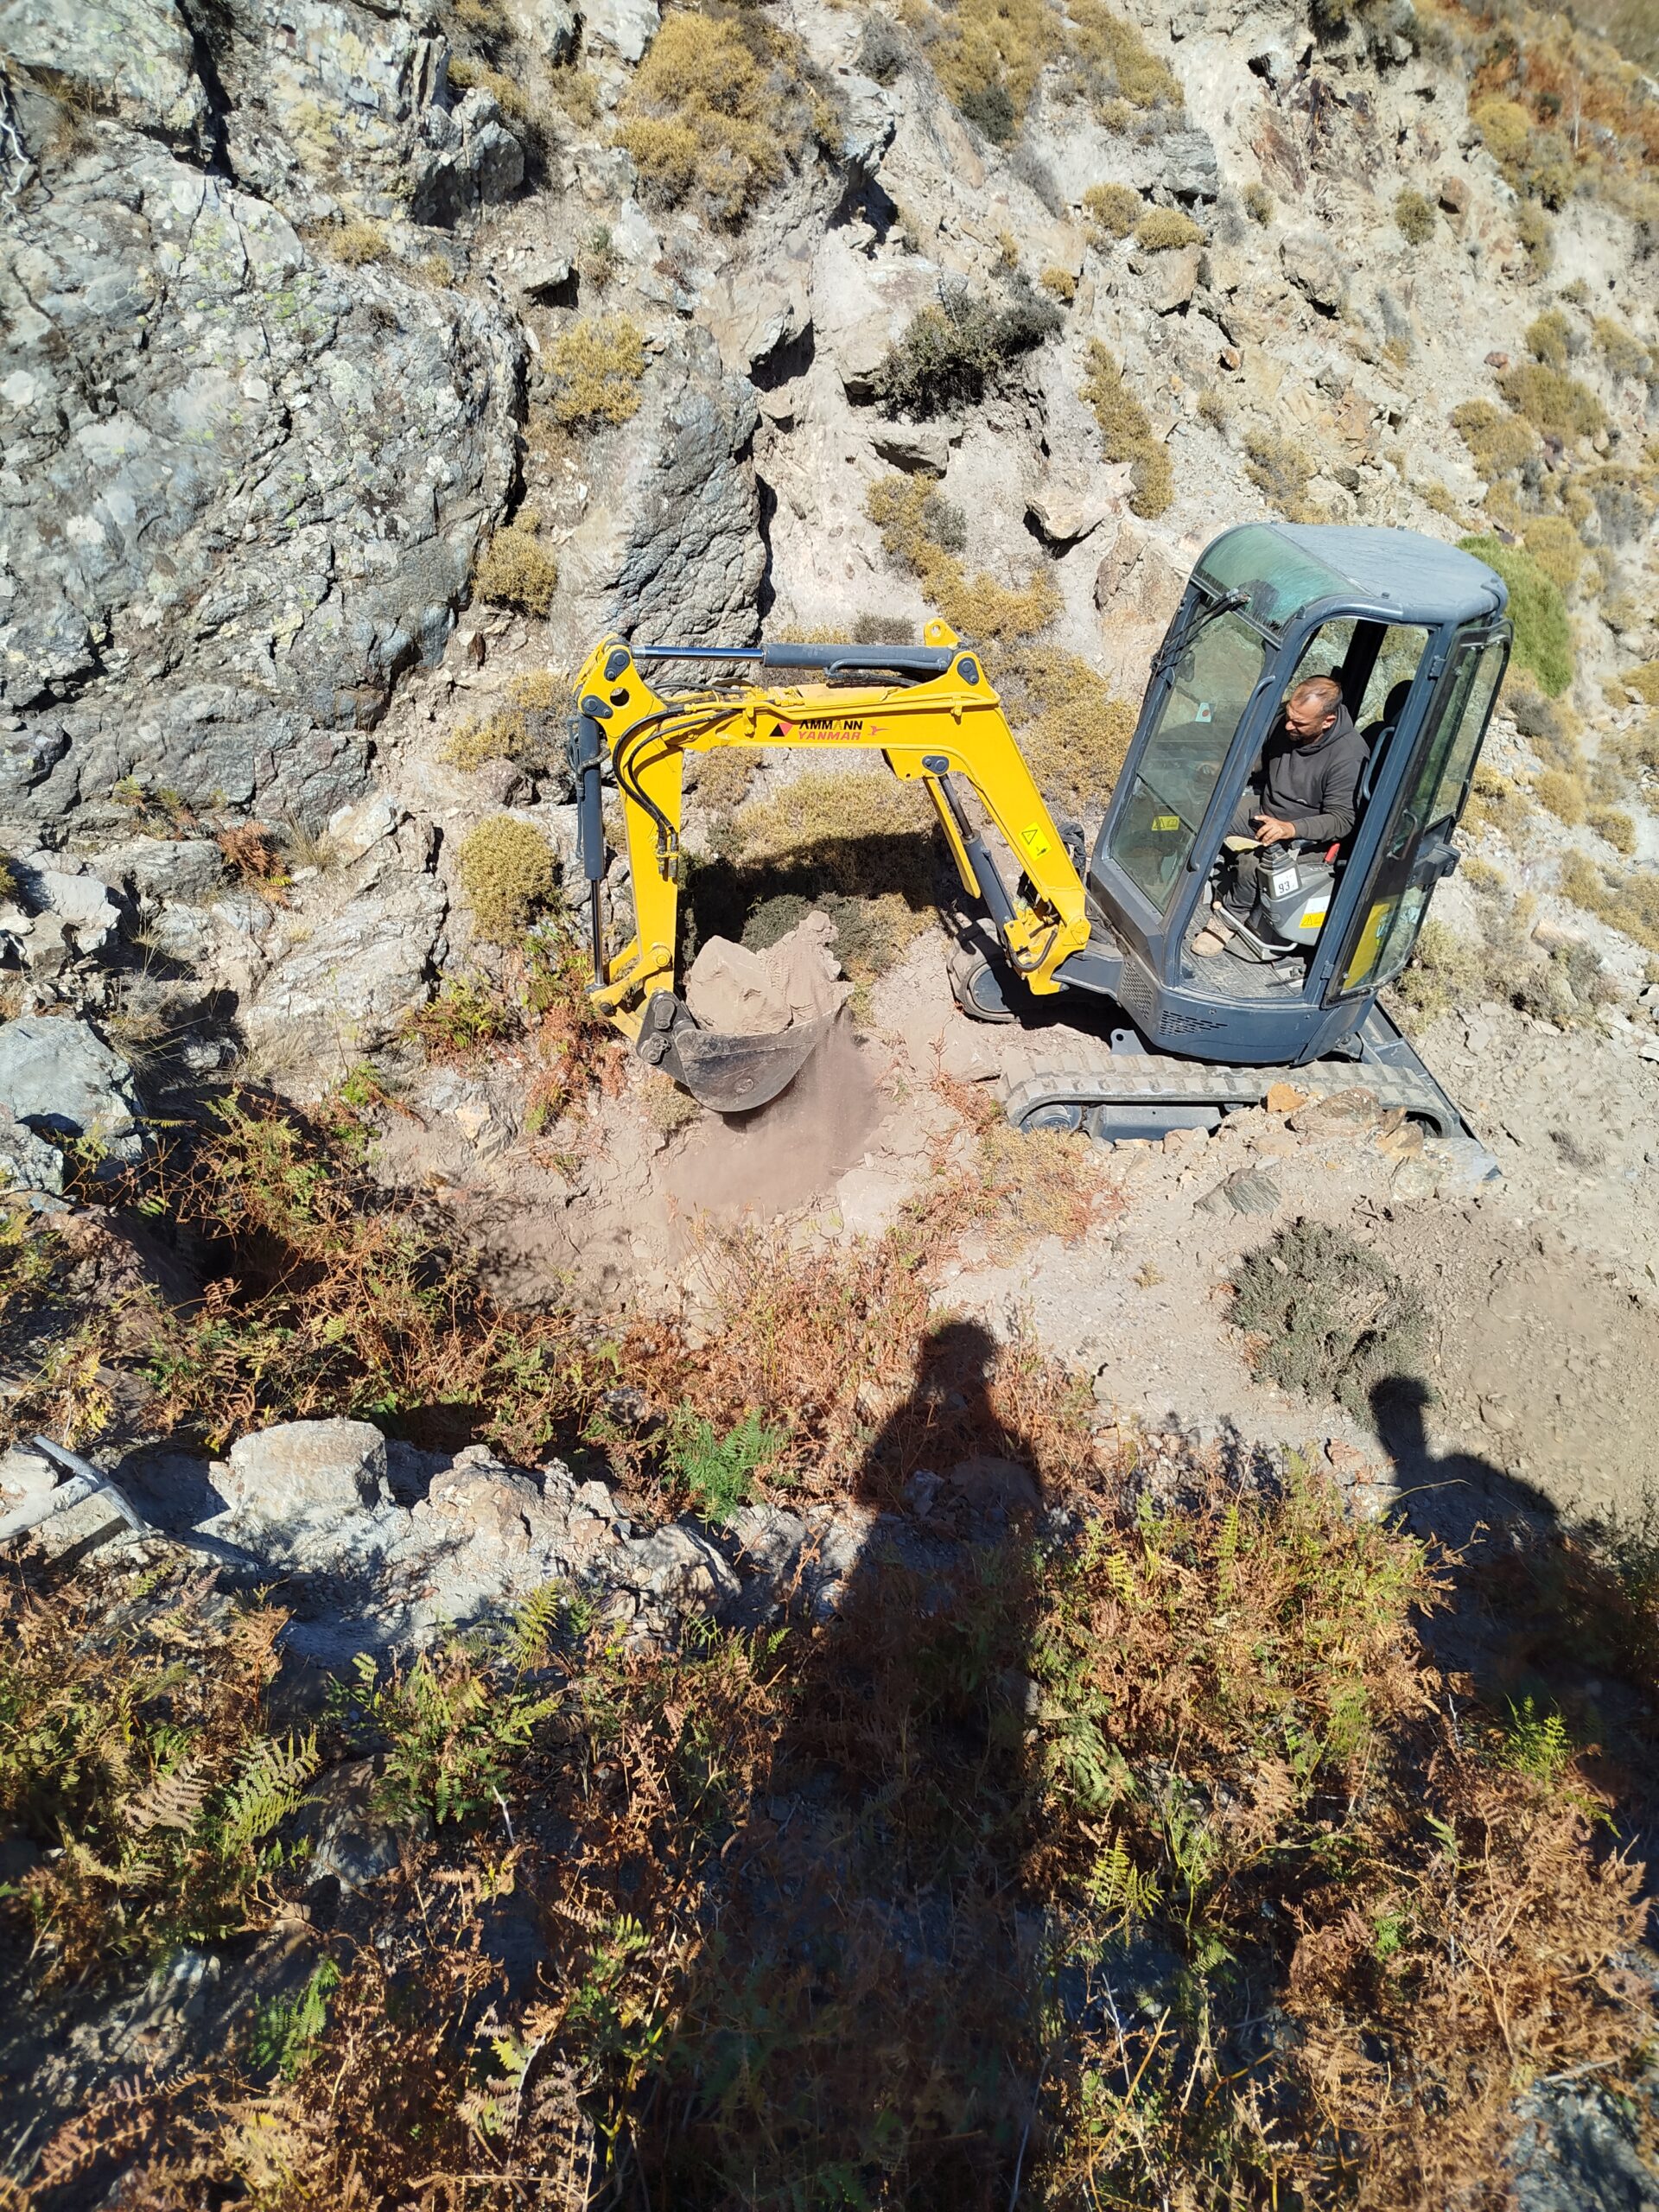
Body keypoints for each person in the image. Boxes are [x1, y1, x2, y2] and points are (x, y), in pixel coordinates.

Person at [1192, 675, 1366, 954]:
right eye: (1289, 716)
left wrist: (1290, 829)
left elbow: (1342, 820)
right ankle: (1186, 883)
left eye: (1299, 723)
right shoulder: (1287, 724)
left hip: (1304, 834)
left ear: (1328, 721)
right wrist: (1224, 768)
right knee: (1205, 813)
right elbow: (1262, 758)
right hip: (1266, 808)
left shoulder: (1348, 756)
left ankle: (1228, 919)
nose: (1288, 726)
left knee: (1253, 864)